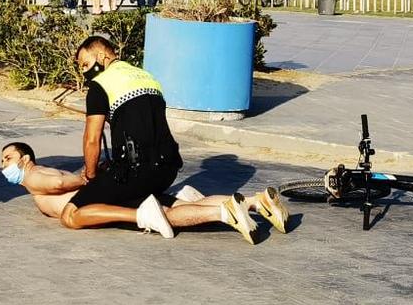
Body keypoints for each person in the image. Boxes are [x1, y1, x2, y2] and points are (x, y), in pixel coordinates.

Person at [58, 35, 278, 242]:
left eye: (85, 64)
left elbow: (92, 139)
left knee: (71, 214)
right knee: (166, 203)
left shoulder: (101, 84)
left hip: (133, 171)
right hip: (167, 168)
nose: (84, 72)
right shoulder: (147, 77)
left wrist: (91, 175)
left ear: (101, 56)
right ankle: (255, 203)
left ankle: (146, 217)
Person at [0, 141, 283, 242]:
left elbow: (60, 185)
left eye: (7, 158)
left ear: (25, 158)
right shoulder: (42, 170)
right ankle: (257, 202)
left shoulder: (33, 177)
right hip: (106, 194)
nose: (3, 166)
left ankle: (224, 212)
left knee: (168, 213)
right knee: (170, 204)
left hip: (98, 202)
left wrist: (86, 180)